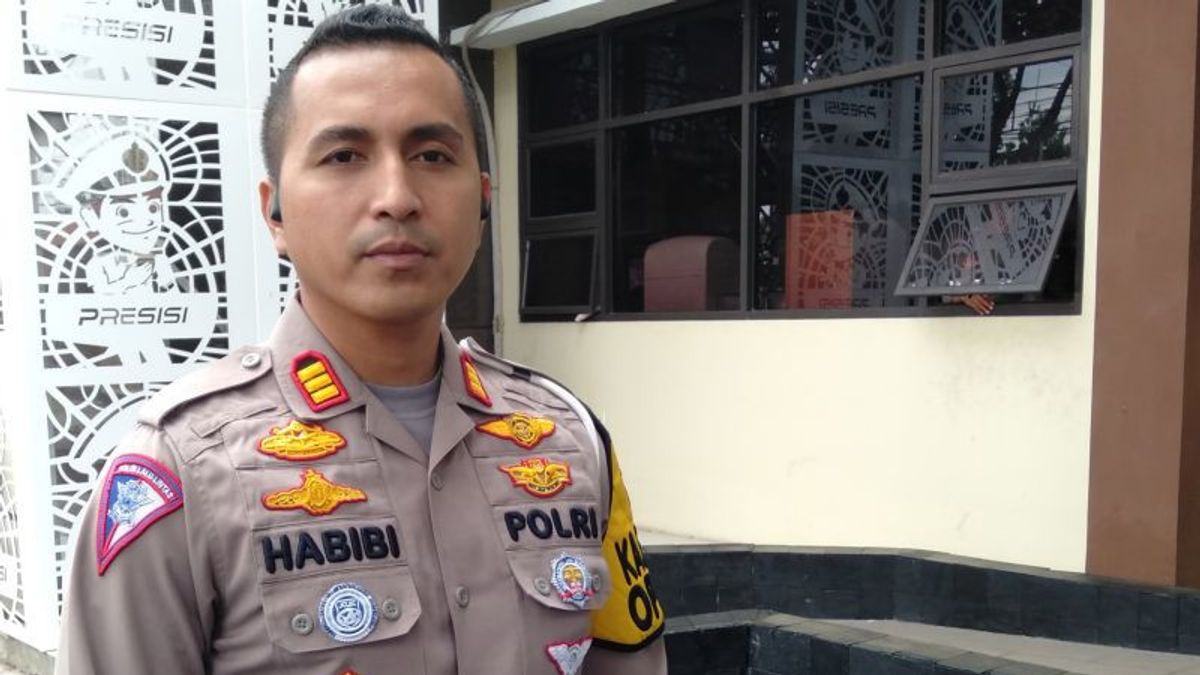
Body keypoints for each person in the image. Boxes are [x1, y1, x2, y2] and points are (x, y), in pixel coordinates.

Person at [55, 6, 666, 674]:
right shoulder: (182, 469)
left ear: (484, 199)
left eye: (433, 155)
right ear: (275, 213)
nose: (397, 196)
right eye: (344, 155)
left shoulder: (569, 440)